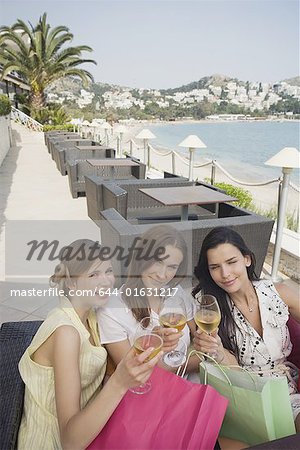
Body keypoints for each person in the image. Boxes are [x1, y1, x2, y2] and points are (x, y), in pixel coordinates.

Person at [18, 239, 162, 450]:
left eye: (109, 271)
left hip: (92, 425)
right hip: (52, 440)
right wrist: (119, 382)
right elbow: (70, 442)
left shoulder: (91, 314)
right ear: (72, 283)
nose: (106, 281)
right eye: (93, 275)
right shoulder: (66, 333)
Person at [192, 226, 300, 431]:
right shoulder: (212, 310)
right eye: (215, 267)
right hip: (247, 397)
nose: (225, 274)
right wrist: (216, 350)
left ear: (247, 259)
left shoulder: (277, 293)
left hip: (287, 392)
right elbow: (233, 371)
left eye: (232, 262)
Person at [97, 225, 197, 371]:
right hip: (153, 390)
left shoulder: (176, 292)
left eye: (172, 267)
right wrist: (198, 364)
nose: (162, 275)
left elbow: (198, 337)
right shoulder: (111, 309)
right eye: (158, 262)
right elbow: (132, 372)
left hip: (190, 384)